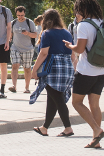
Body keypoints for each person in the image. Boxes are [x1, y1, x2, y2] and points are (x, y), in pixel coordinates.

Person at [63, 0, 104, 150]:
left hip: (86, 70)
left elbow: (80, 49)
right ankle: (96, 140)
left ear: (82, 9)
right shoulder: (103, 23)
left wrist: (70, 46)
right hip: (102, 69)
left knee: (76, 102)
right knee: (94, 105)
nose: (77, 13)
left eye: (78, 10)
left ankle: (96, 129)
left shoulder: (83, 25)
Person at [30, 9, 75, 138]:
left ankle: (68, 128)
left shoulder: (47, 33)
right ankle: (44, 128)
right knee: (53, 98)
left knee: (58, 99)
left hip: (53, 68)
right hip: (67, 66)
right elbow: (73, 55)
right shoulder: (67, 33)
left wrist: (34, 70)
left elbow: (44, 53)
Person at [8, 6, 39, 94]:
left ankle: (27, 87)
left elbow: (35, 35)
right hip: (15, 48)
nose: (20, 17)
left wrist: (28, 33)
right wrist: (8, 40)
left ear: (24, 13)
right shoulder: (13, 23)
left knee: (27, 68)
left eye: (22, 15)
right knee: (15, 65)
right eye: (18, 15)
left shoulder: (29, 22)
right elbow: (10, 34)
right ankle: (14, 86)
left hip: (27, 49)